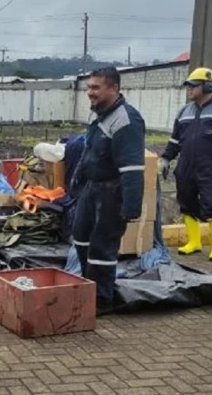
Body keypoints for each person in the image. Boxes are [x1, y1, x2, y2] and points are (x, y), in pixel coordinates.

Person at [70, 66, 145, 315]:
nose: (89, 93)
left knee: (102, 246)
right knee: (80, 236)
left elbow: (133, 168)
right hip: (92, 189)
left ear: (114, 88)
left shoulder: (127, 120)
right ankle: (87, 287)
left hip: (112, 193)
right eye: (88, 87)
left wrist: (131, 206)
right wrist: (77, 180)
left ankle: (101, 300)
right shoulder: (100, 114)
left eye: (95, 88)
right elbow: (89, 151)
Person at [159, 68, 212, 261]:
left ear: (208, 85)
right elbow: (175, 140)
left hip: (209, 166)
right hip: (186, 166)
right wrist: (166, 158)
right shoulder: (184, 111)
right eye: (188, 86)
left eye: (193, 85)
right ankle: (194, 242)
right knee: (186, 203)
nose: (189, 89)